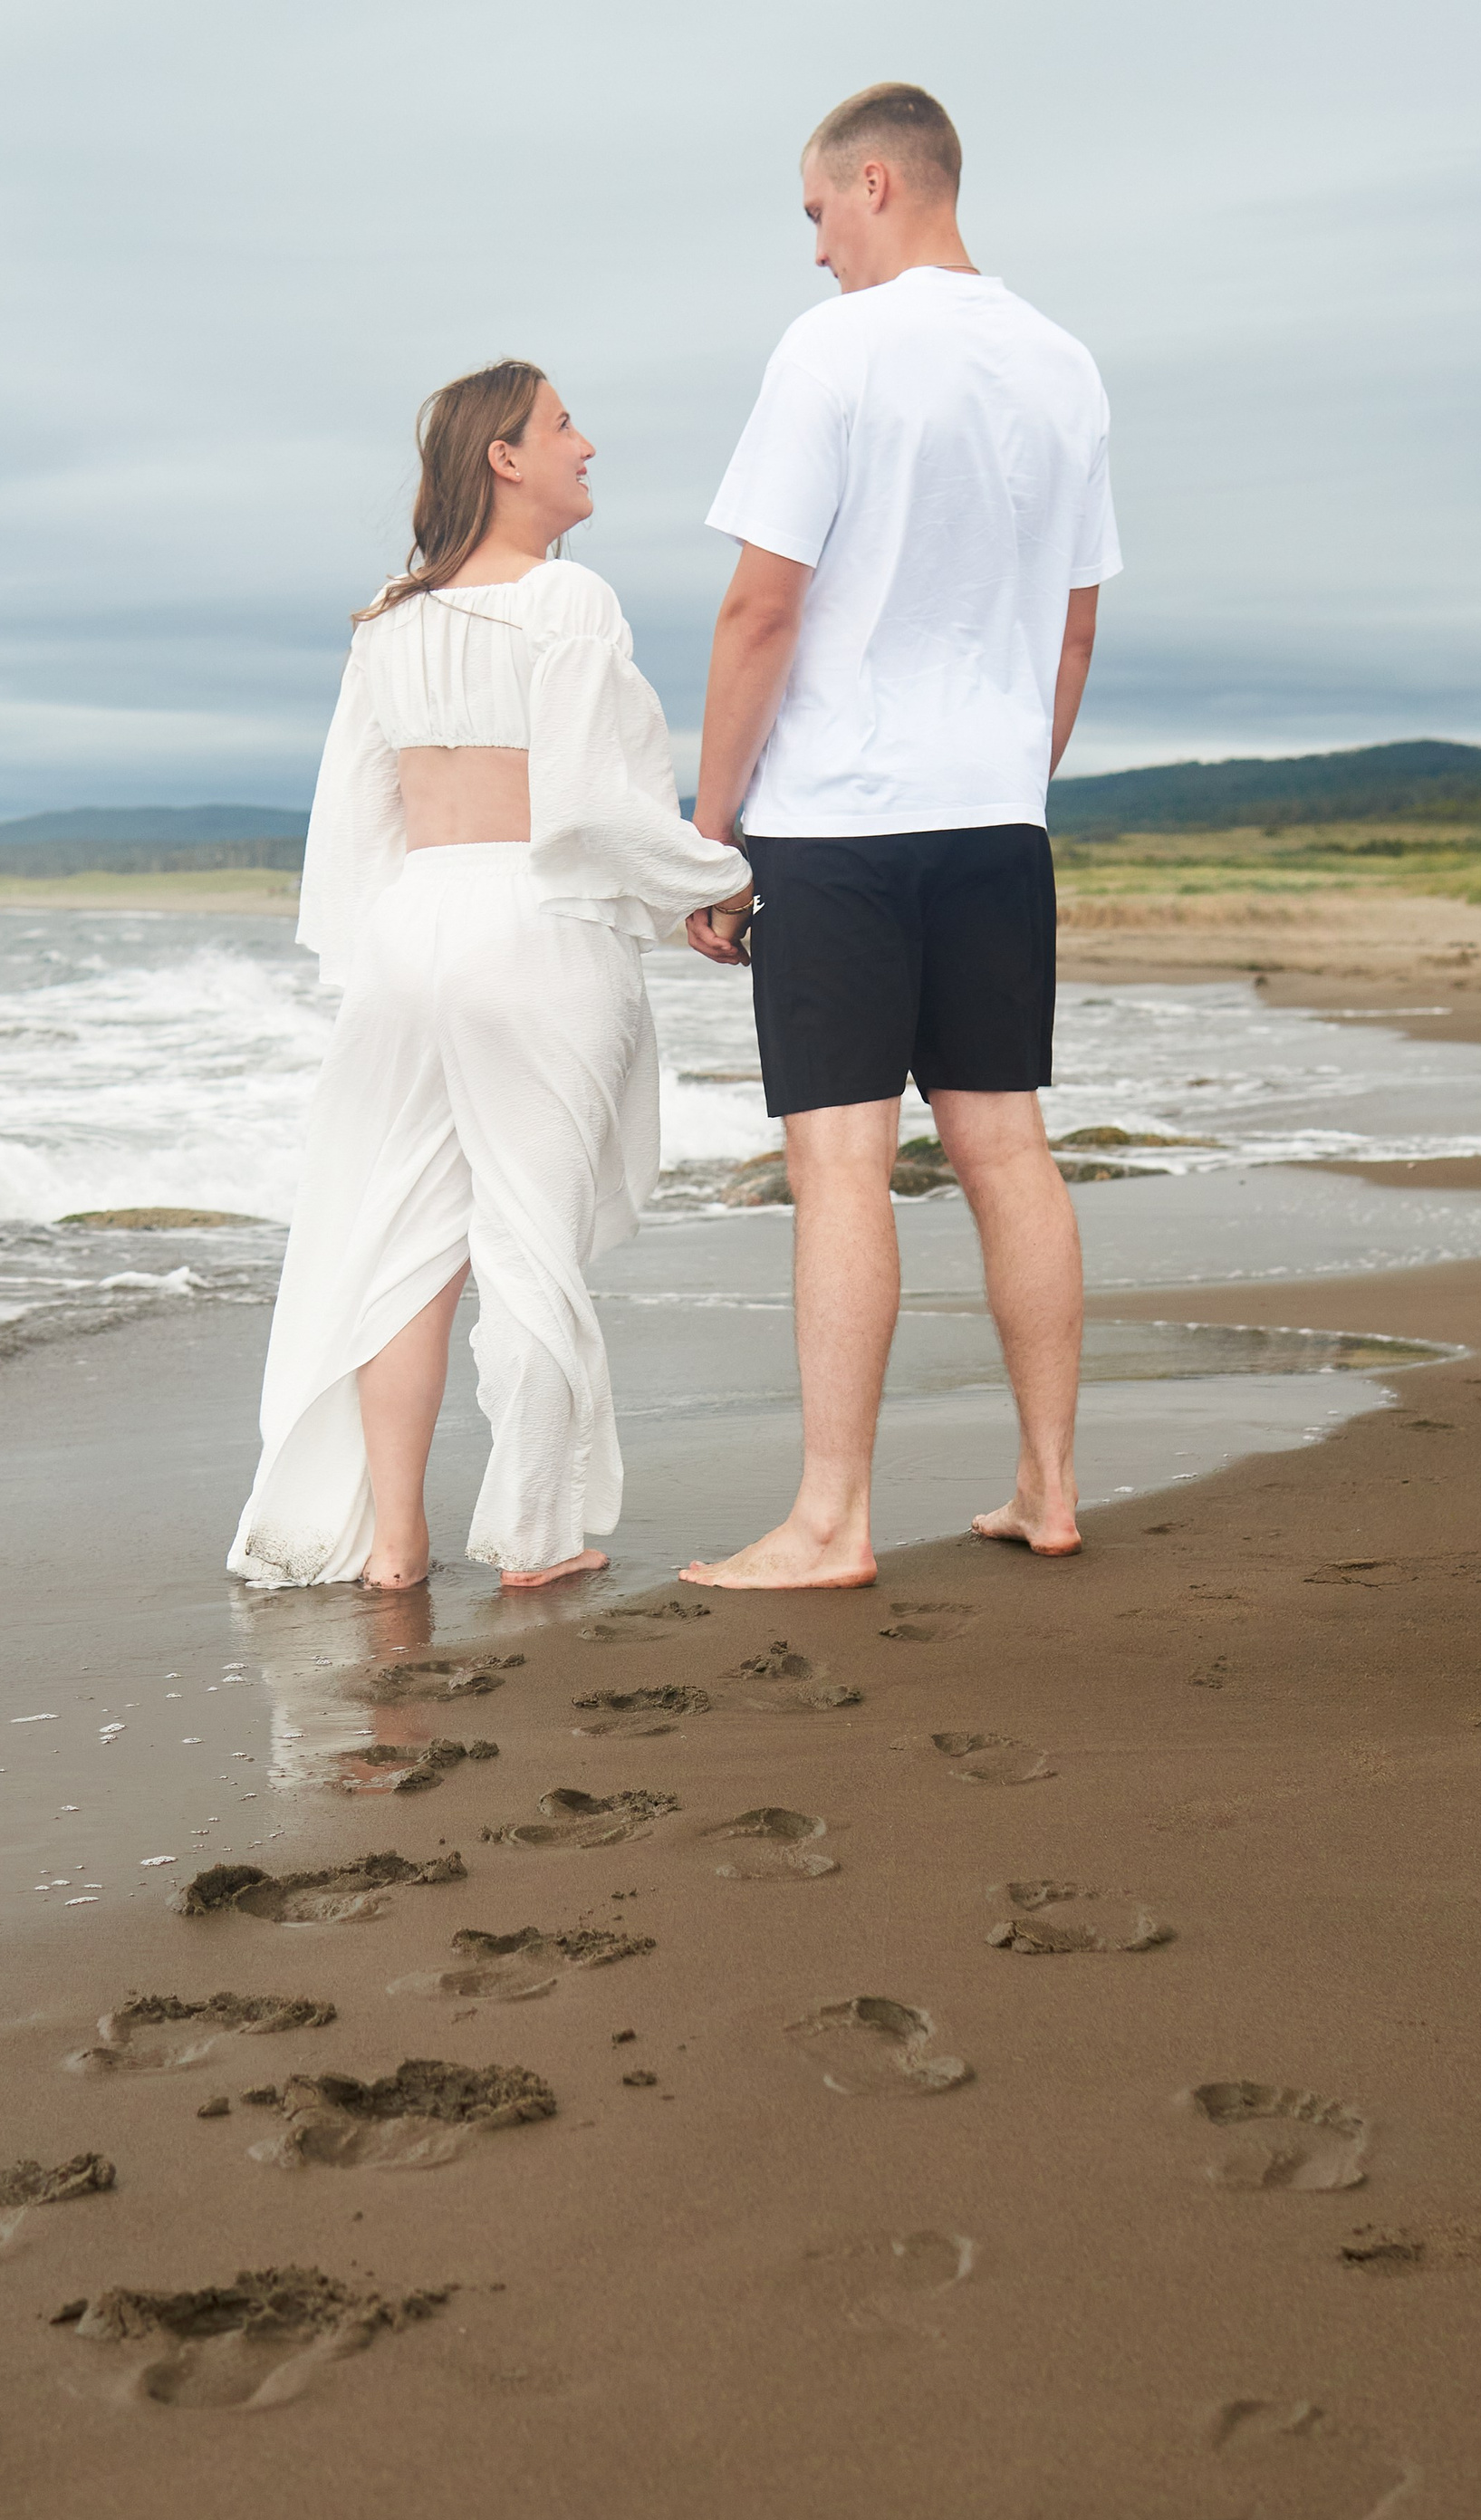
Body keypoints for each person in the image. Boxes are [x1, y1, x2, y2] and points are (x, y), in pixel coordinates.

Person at [679, 81, 1121, 1592]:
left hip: (838, 829)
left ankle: (832, 1522)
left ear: (876, 181)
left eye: (816, 214)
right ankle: (1050, 1489)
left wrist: (711, 827)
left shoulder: (837, 349)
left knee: (843, 1168)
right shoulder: (1064, 364)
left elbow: (761, 607)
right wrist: (1011, 778)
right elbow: (1072, 632)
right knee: (1007, 1151)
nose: (814, 251)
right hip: (995, 821)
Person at [230, 361, 751, 1592]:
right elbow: (584, 812)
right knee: (526, 1241)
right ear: (502, 458)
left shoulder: (389, 616)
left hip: (413, 932)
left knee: (402, 1246)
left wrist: (382, 949)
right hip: (532, 926)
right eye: (564, 425)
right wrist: (722, 874)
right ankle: (534, 1536)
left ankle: (396, 1543)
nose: (588, 445)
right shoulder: (567, 603)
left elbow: (356, 816)